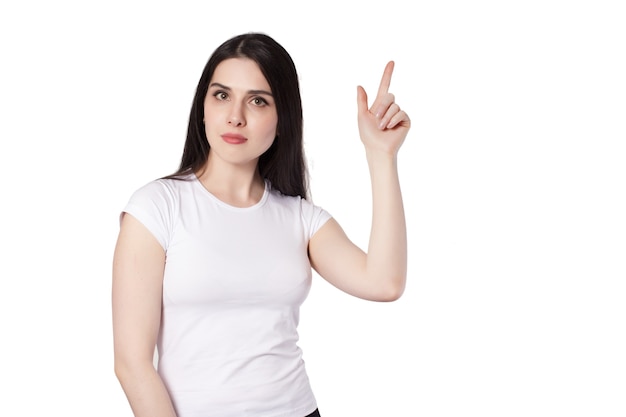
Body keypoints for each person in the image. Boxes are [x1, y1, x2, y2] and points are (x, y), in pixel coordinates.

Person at [112, 32, 410, 417]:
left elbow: (384, 283)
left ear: (282, 117)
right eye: (221, 95)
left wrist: (381, 155)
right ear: (202, 106)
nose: (235, 115)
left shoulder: (299, 217)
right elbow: (131, 365)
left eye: (257, 100)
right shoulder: (157, 207)